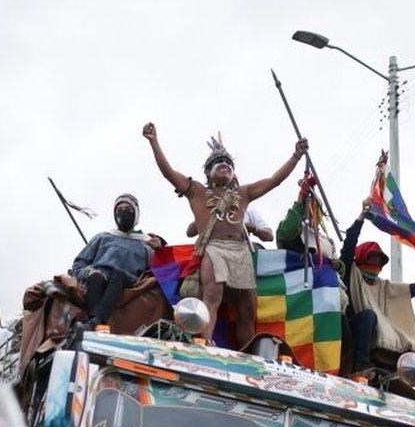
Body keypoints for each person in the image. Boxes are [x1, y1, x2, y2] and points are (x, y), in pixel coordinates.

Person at [143, 122, 307, 348]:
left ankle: (248, 354)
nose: (224, 165)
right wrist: (154, 142)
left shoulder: (244, 193)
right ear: (207, 173)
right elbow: (168, 173)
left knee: (248, 306)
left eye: (229, 164)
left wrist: (296, 156)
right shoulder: (197, 191)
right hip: (214, 248)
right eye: (218, 163)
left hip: (240, 251)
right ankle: (204, 344)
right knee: (212, 295)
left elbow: (274, 180)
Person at [339, 199, 415, 379]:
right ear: (362, 258)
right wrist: (361, 218)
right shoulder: (351, 273)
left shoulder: (384, 286)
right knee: (368, 316)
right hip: (352, 328)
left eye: (379, 261)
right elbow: (348, 249)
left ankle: (393, 370)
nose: (377, 264)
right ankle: (360, 366)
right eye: (373, 259)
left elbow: (412, 290)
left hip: (375, 332)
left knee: (400, 333)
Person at [69, 194, 154, 328]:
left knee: (118, 276)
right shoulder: (102, 238)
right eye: (119, 209)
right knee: (97, 277)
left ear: (136, 214)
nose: (123, 212)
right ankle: (92, 320)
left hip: (125, 284)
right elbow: (79, 264)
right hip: (97, 279)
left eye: (128, 209)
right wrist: (89, 272)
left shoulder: (146, 247)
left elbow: (155, 272)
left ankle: (96, 321)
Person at [276, 174, 337, 260]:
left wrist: (339, 266)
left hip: (323, 273)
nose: (313, 213)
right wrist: (300, 199)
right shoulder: (298, 230)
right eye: (310, 208)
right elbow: (288, 229)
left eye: (316, 210)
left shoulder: (329, 241)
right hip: (300, 271)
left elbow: (338, 266)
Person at [187, 203, 275, 246]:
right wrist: (210, 214)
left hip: (241, 249)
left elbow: (269, 236)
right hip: (211, 248)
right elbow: (190, 232)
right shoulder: (211, 207)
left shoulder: (249, 209)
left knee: (257, 249)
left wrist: (255, 229)